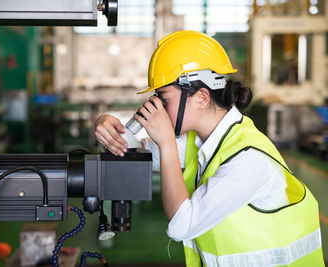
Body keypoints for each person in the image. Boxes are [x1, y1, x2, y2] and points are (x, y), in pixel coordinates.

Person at [95, 31, 324, 266]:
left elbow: (182, 225)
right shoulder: (201, 140)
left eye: (165, 100)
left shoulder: (247, 160)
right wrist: (106, 125)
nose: (159, 110)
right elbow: (131, 151)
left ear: (202, 98)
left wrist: (166, 142)